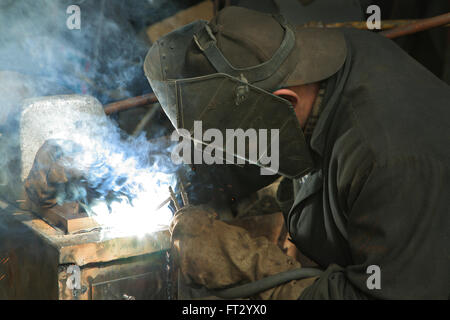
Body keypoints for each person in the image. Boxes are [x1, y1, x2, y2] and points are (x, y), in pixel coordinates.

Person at [144, 6, 450, 299]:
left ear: (285, 103)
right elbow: (268, 135)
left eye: (235, 139)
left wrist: (245, 263)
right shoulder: (315, 65)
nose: (230, 147)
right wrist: (201, 183)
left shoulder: (389, 163)